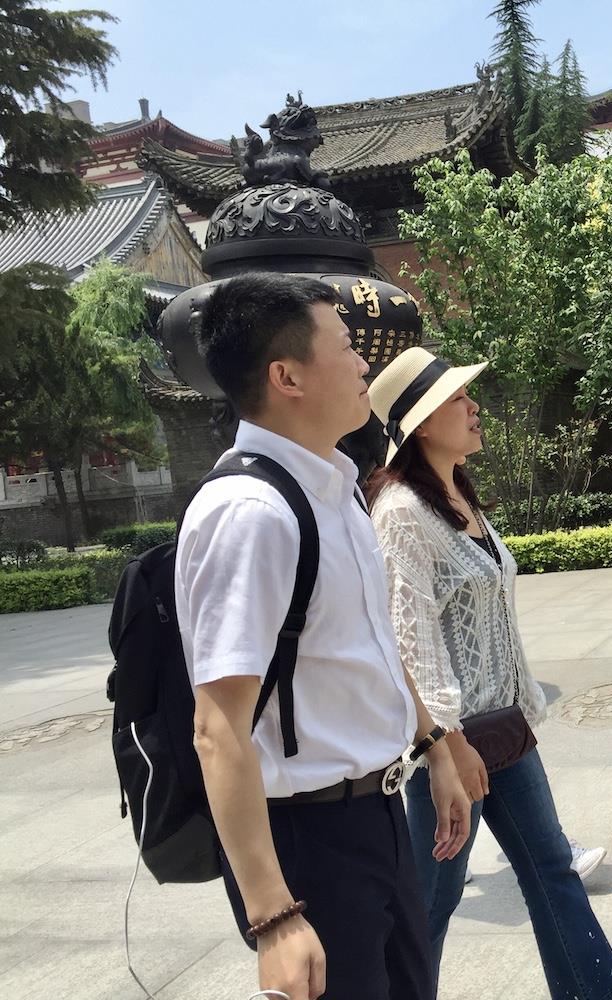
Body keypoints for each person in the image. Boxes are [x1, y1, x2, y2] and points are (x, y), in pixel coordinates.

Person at [366, 347, 612, 1000]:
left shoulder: (456, 495)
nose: (475, 407)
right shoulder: (400, 515)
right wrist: (446, 744)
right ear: (421, 424)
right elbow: (406, 642)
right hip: (448, 747)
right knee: (428, 904)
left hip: (501, 730)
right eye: (457, 399)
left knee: (552, 872)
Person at [178, 274, 473, 1000]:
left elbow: (372, 646)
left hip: (375, 816)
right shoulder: (250, 512)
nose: (365, 362)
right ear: (287, 377)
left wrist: (433, 747)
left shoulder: (336, 489)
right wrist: (273, 916)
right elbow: (218, 728)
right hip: (307, 841)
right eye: (346, 346)